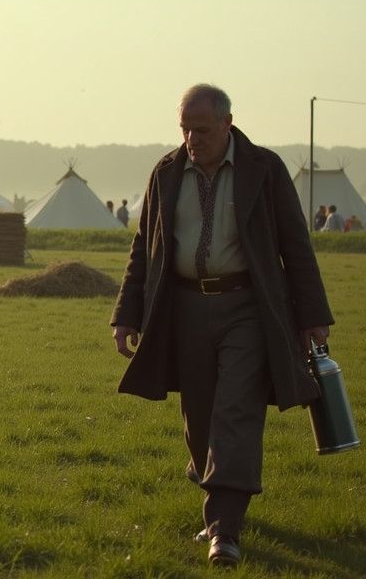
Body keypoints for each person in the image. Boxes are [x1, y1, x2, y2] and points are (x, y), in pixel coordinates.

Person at [110, 84, 333, 568]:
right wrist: (126, 315)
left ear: (228, 123)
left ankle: (224, 530)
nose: (193, 139)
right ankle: (216, 492)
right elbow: (142, 249)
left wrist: (313, 316)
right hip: (184, 309)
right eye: (185, 129)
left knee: (236, 412)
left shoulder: (265, 170)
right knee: (201, 415)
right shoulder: (166, 173)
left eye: (203, 130)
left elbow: (296, 245)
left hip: (248, 310)